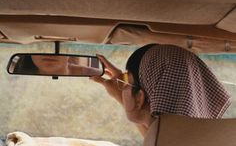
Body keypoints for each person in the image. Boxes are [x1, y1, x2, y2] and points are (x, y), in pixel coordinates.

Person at [91, 44, 231, 136]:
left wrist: (123, 96)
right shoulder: (192, 142)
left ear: (140, 98)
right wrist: (123, 94)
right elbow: (155, 139)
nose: (123, 86)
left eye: (127, 82)